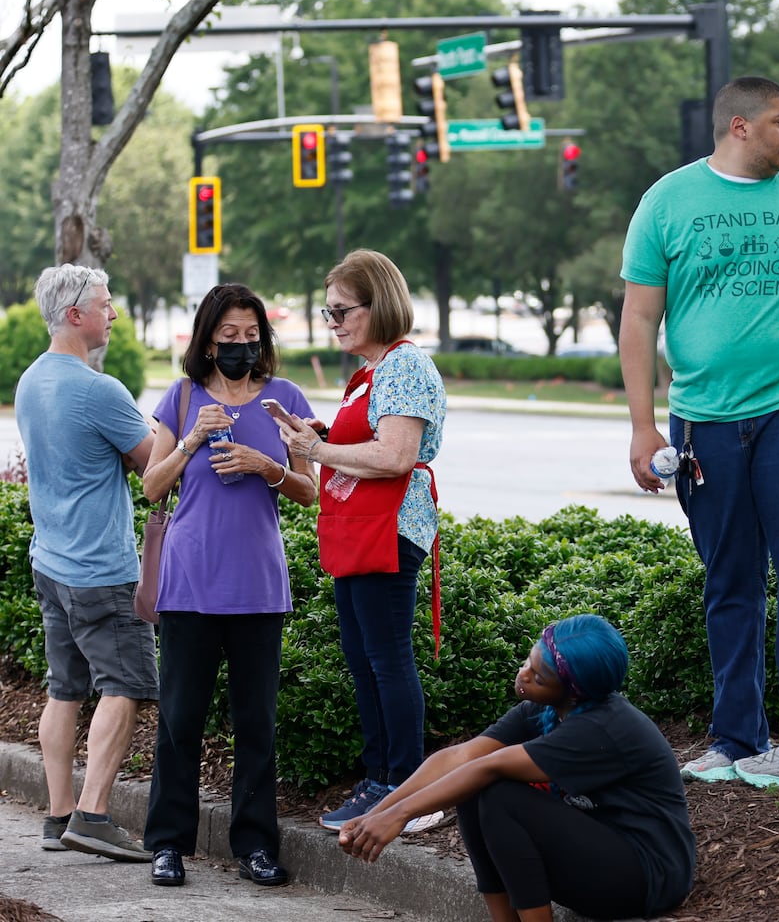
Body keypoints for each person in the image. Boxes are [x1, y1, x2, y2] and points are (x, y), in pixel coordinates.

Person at [618, 75, 779, 788]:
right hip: (704, 422)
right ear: (738, 125)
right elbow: (640, 318)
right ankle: (735, 740)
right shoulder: (668, 202)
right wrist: (642, 425)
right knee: (729, 581)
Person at [335, 615, 696, 922]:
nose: (523, 675)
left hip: (647, 876)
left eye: (538, 677)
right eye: (529, 661)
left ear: (574, 693)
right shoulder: (545, 710)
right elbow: (458, 758)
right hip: (600, 853)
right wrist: (376, 813)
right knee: (473, 786)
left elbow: (488, 767)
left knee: (498, 793)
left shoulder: (601, 728)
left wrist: (399, 816)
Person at [138, 284, 318, 888]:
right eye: (229, 338)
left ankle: (255, 847)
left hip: (258, 586)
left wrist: (266, 467)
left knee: (256, 725)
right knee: (180, 720)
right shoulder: (184, 396)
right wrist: (192, 440)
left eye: (250, 336)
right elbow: (152, 487)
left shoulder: (282, 400)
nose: (242, 347)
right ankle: (167, 845)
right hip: (190, 583)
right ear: (206, 342)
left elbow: (309, 488)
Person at [276, 249, 447, 831]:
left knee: (387, 659)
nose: (335, 322)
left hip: (389, 531)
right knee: (364, 658)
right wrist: (315, 434)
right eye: (328, 313)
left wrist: (316, 450)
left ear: (381, 304)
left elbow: (396, 455)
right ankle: (379, 780)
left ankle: (403, 789)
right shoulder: (370, 372)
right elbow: (364, 439)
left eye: (343, 310)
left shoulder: (404, 365)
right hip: (359, 533)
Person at [14, 265, 156, 862]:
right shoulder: (100, 389)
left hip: (51, 561)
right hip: (101, 570)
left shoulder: (30, 381)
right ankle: (94, 816)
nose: (113, 313)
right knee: (124, 685)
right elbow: (156, 469)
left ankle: (58, 815)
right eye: (105, 303)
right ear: (76, 315)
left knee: (64, 691)